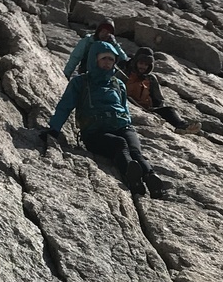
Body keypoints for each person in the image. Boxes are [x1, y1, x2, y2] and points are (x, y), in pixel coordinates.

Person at [43, 41, 166, 198]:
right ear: (95, 59)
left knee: (135, 150)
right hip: (94, 132)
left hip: (122, 126)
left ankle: (150, 178)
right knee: (119, 144)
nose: (108, 63)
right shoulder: (80, 82)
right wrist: (54, 129)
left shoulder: (118, 84)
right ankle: (132, 177)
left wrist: (127, 124)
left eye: (111, 59)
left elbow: (124, 108)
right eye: (104, 59)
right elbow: (65, 107)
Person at [121, 46, 195, 130]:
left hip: (146, 109)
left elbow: (158, 99)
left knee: (169, 110)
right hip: (129, 105)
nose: (143, 67)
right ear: (135, 62)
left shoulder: (151, 79)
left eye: (146, 65)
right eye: (141, 63)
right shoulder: (124, 74)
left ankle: (181, 126)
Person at [63, 19, 130, 79]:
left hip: (106, 76)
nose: (105, 34)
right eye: (103, 31)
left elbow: (123, 59)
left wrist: (115, 45)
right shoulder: (88, 41)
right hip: (86, 73)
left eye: (108, 33)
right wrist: (66, 74)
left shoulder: (112, 45)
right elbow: (75, 57)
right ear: (98, 31)